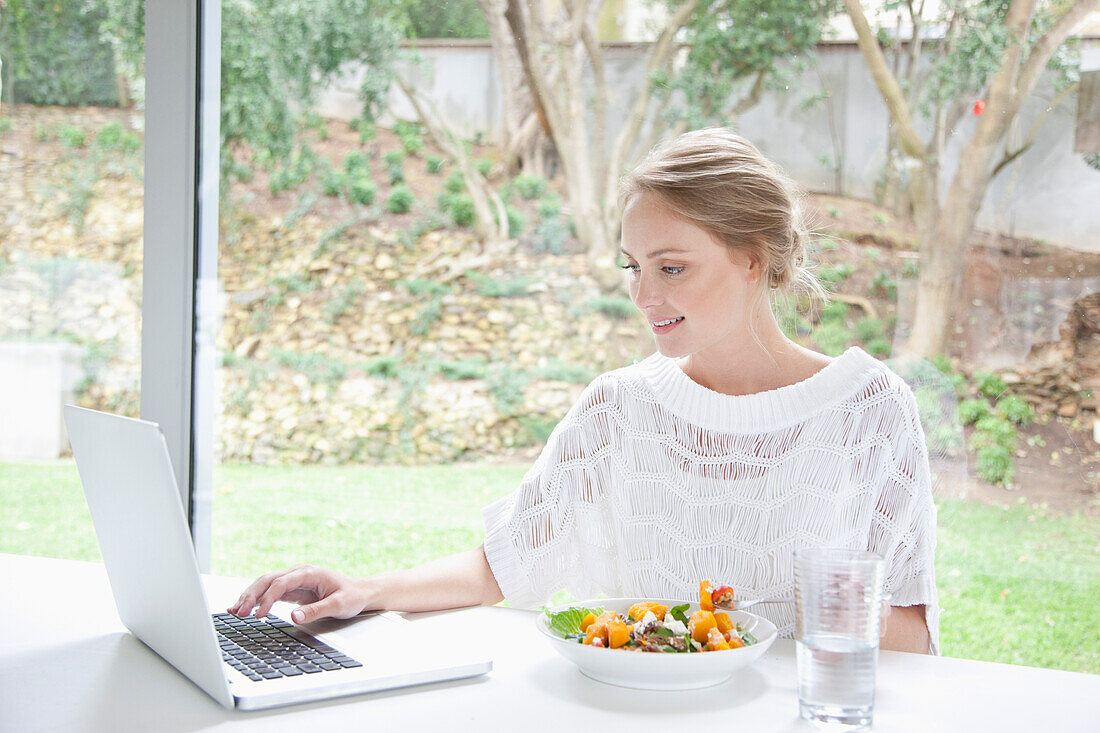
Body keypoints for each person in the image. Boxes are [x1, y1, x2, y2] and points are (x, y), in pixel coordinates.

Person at [230, 128, 938, 654]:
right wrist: (364, 591)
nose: (641, 294)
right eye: (633, 266)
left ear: (753, 258)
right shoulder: (620, 408)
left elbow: (915, 633)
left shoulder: (870, 409)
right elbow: (501, 562)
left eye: (671, 267)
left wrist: (842, 607)